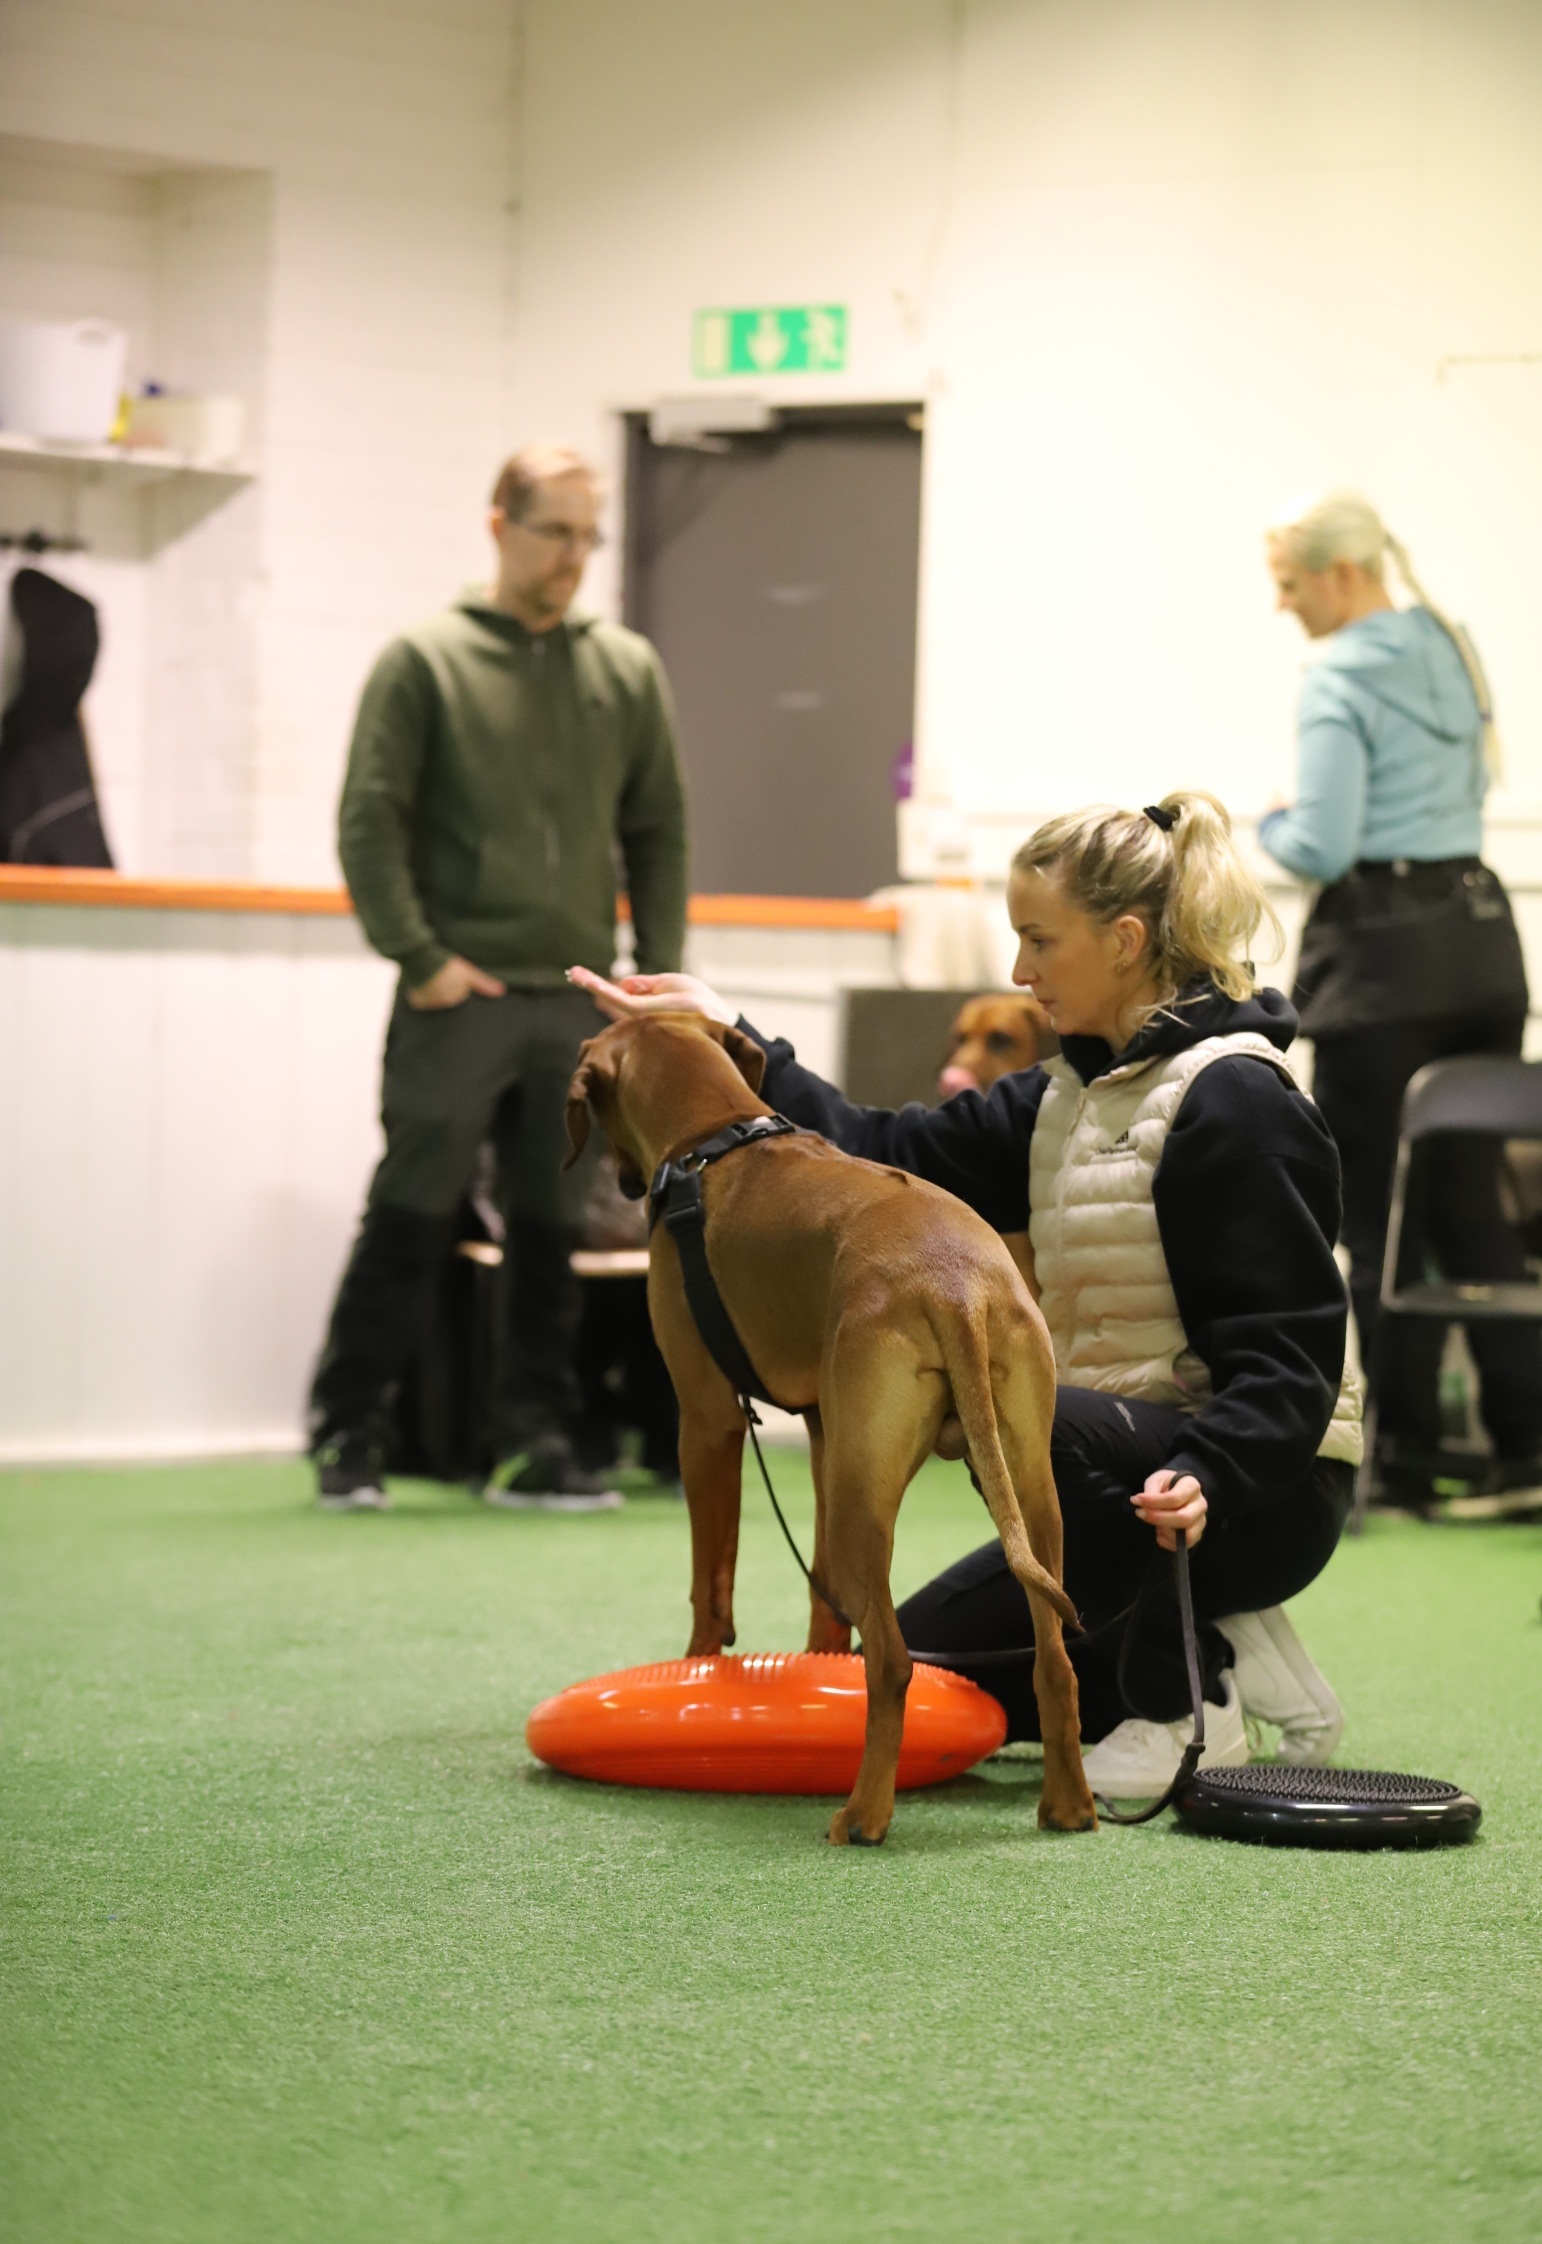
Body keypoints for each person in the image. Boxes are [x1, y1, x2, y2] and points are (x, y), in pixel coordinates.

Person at [573, 793, 1362, 1801]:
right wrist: (729, 1024)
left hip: (1255, 1486)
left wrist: (1211, 1470)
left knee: (1010, 1410)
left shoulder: (1238, 1101)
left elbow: (1293, 1357)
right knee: (943, 1672)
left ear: (1125, 942)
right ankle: (1230, 1639)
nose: (1020, 971)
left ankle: (1183, 1693)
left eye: (1040, 941)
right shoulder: (1061, 1098)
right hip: (1123, 1474)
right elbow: (880, 1148)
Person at [309, 441, 689, 1511]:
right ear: (498, 526)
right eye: (553, 532)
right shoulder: (424, 662)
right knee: (413, 1209)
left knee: (550, 1227)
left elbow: (658, 829)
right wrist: (420, 959)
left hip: (572, 1000)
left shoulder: (625, 670)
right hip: (458, 998)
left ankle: (534, 1441)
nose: (573, 556)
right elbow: (368, 820)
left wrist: (653, 979)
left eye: (587, 537)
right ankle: (349, 1433)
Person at [1260, 491, 1542, 1517]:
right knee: (1470, 1199)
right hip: (1482, 942)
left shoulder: (1339, 675)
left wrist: (1269, 823)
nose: (1282, 605)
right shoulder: (1448, 643)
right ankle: (1531, 1448)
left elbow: (1323, 844)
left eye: (1289, 584)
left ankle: (1396, 1454)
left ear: (1340, 575)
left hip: (1384, 960)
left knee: (1371, 1215)